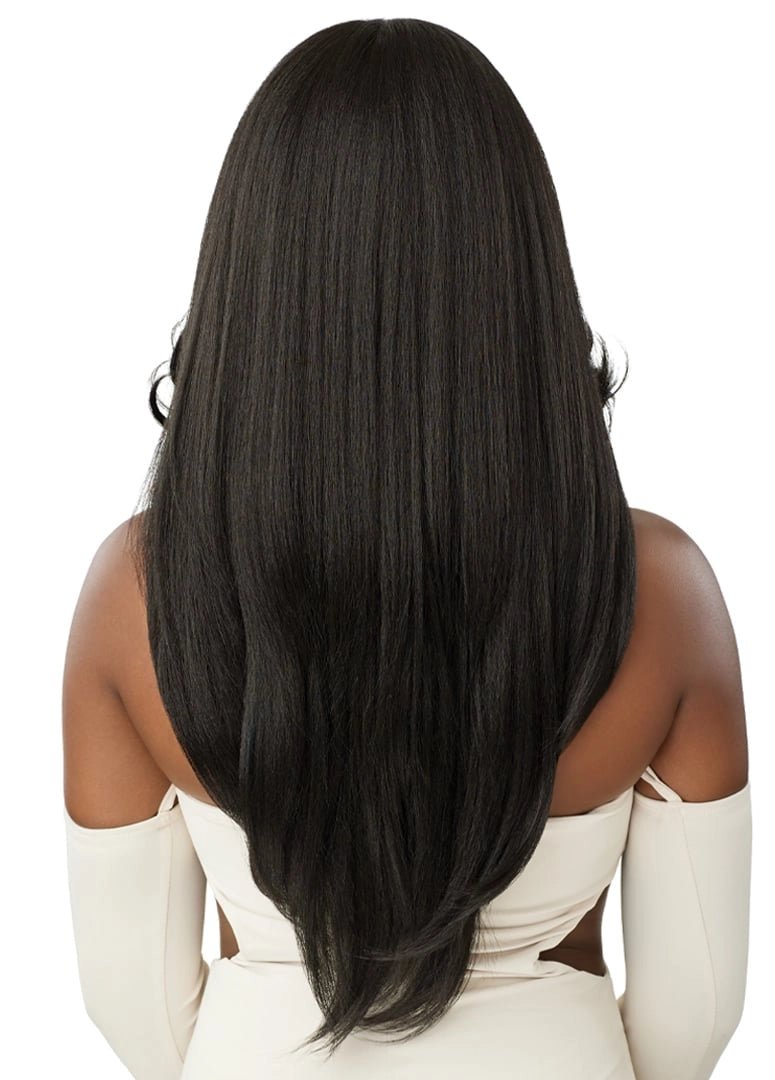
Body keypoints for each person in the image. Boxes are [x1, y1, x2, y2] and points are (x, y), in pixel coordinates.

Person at [62, 17, 752, 1079]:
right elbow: (692, 1012)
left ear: (254, 281)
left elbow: (134, 1005)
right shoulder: (659, 597)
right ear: (518, 275)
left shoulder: (138, 596)